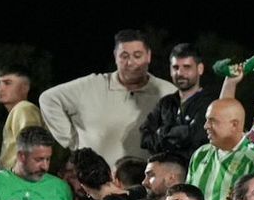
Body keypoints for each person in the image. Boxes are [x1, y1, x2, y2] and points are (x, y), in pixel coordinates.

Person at [39, 31, 177, 164]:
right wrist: (73, 142)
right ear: (115, 56)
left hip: (146, 176)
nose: (130, 62)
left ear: (148, 56)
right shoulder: (91, 85)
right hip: (94, 176)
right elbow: (49, 99)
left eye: (137, 55)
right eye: (124, 56)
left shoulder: (167, 92)